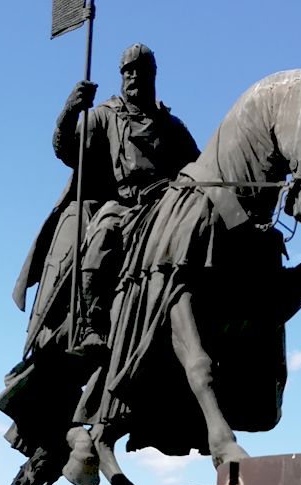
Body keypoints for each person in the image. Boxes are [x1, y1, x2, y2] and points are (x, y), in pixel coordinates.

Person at [12, 43, 200, 357]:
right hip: (125, 207)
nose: (134, 76)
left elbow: (198, 168)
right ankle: (89, 324)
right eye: (128, 71)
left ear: (153, 75)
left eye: (141, 70)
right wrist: (71, 110)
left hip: (166, 206)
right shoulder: (104, 116)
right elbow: (69, 152)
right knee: (105, 229)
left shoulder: (172, 126)